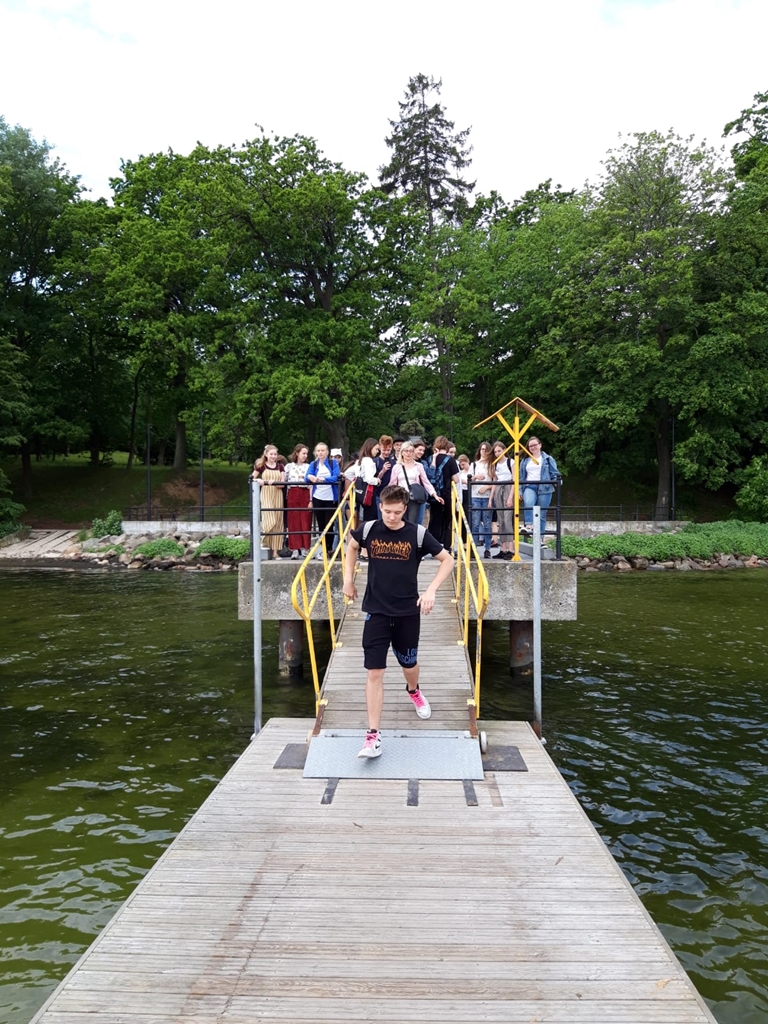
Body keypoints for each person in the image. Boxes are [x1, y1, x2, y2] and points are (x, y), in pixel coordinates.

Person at [343, 484, 454, 759]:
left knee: (408, 663)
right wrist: (347, 579)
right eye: (387, 511)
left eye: (397, 512)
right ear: (380, 506)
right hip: (376, 611)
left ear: (405, 509)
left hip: (407, 611)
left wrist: (431, 590)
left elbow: (447, 560)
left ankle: (413, 690)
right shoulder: (369, 529)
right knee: (374, 672)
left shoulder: (417, 534)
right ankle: (372, 737)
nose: (391, 517)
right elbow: (352, 546)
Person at [388, 440, 441, 523]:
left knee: (411, 522)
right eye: (406, 451)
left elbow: (426, 482)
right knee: (401, 521)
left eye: (411, 451)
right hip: (401, 497)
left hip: (413, 497)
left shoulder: (418, 466)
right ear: (402, 452)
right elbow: (392, 484)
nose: (408, 453)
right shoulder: (397, 467)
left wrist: (434, 494)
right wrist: (388, 497)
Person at [519, 436, 558, 539]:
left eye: (534, 445)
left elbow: (554, 473)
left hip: (544, 488)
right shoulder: (525, 460)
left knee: (541, 514)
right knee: (528, 503)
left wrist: (556, 482)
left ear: (540, 445)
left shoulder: (548, 459)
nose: (532, 447)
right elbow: (521, 477)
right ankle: (528, 526)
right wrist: (519, 491)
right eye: (530, 446)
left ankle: (540, 539)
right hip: (529, 486)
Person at [307, 442, 340, 557]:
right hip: (317, 497)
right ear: (316, 452)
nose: (320, 453)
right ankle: (324, 549)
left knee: (329, 524)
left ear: (327, 452)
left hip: (330, 498)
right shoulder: (313, 464)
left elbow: (336, 476)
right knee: (321, 524)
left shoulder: (333, 463)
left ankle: (329, 548)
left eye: (322, 450)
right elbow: (307, 477)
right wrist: (310, 477)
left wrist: (323, 479)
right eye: (318, 451)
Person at [252, 445, 285, 557]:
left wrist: (274, 483)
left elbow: (283, 483)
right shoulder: (261, 465)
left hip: (277, 494)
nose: (273, 456)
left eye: (275, 454)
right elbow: (251, 479)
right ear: (266, 454)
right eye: (271, 454)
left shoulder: (280, 466)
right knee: (270, 519)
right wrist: (259, 480)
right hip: (266, 493)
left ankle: (275, 552)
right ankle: (264, 540)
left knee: (278, 522)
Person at [427, 435, 460, 549]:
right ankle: (446, 545)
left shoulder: (430, 459)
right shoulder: (450, 460)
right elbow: (456, 479)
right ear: (447, 446)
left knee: (434, 520)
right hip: (446, 494)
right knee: (447, 520)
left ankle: (433, 546)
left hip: (433, 494)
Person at [489, 440, 515, 559]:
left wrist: (510, 497)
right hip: (499, 488)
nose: (497, 453)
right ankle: (503, 548)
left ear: (504, 450)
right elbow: (494, 481)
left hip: (508, 487)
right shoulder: (495, 464)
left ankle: (511, 549)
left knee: (508, 518)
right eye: (495, 452)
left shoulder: (511, 462)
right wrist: (491, 498)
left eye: (499, 451)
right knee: (501, 519)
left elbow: (514, 480)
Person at [284, 443, 311, 558]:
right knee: (293, 520)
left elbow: (311, 484)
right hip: (293, 492)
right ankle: (294, 548)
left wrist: (311, 499)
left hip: (305, 492)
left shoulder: (309, 466)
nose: (305, 456)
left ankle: (306, 548)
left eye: (306, 454)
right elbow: (283, 480)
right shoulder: (289, 467)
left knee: (305, 519)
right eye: (303, 453)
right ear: (297, 453)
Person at [469, 441, 494, 558]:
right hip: (475, 496)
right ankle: (474, 549)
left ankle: (487, 548)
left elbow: (495, 482)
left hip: (487, 496)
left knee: (487, 524)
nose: (484, 452)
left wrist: (487, 487)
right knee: (475, 523)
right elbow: (468, 480)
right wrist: (475, 477)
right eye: (482, 449)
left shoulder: (492, 465)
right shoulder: (474, 465)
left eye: (486, 449)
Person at [356, 437, 382, 525]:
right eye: (376, 449)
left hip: (361, 490)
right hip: (369, 491)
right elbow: (369, 479)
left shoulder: (361, 460)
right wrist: (377, 480)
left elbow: (349, 473)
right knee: (371, 516)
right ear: (370, 447)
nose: (377, 451)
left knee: (367, 515)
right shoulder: (368, 461)